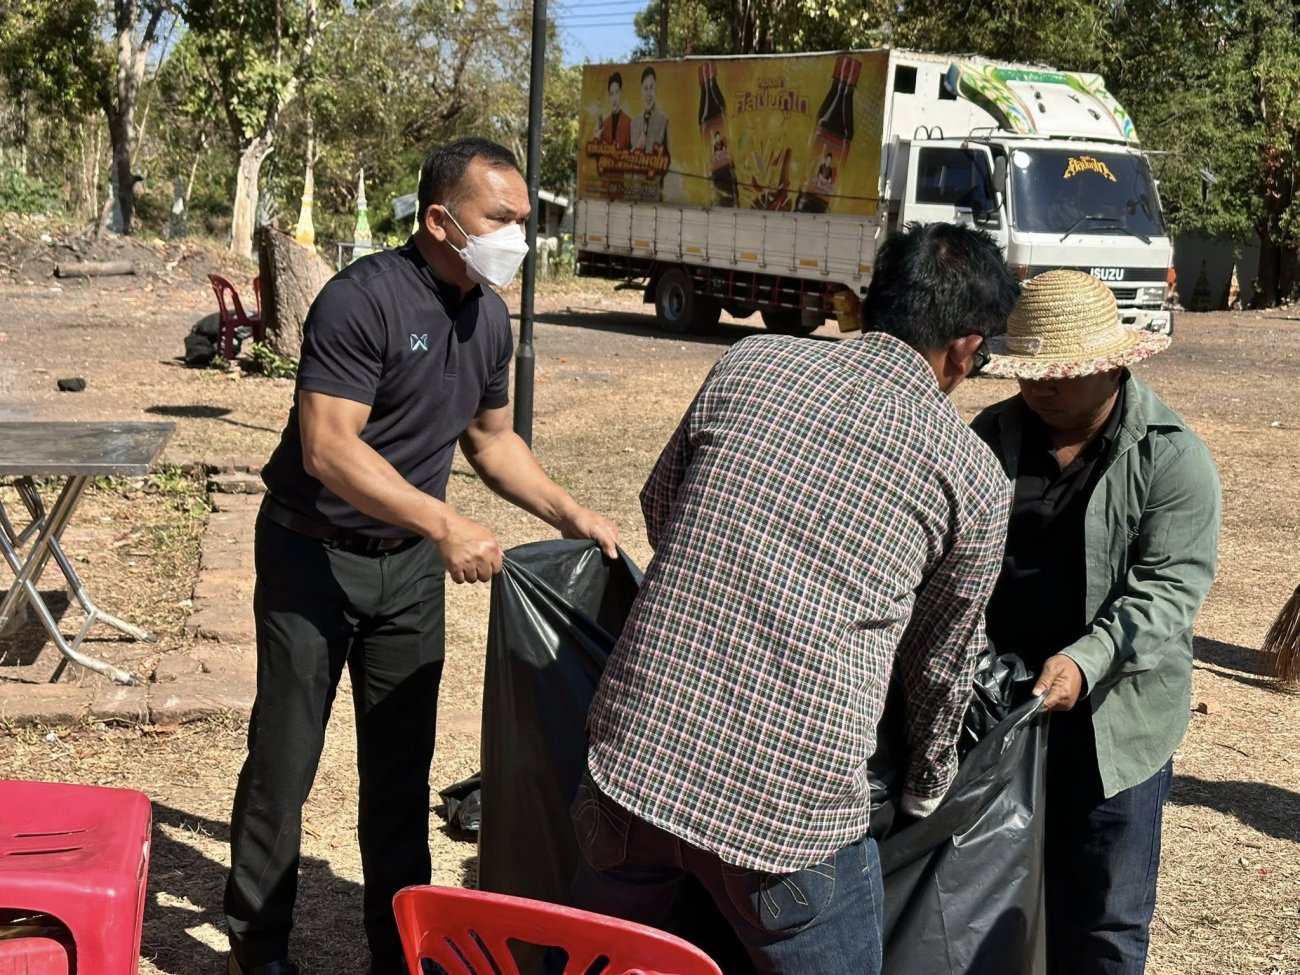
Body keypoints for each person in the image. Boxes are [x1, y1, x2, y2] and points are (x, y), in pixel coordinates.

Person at [568, 222, 1020, 974]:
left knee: (593, 962)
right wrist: (925, 787)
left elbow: (662, 510)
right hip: (789, 821)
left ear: (872, 300)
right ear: (968, 348)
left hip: (632, 767)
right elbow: (942, 664)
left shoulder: (751, 361)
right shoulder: (970, 475)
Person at [223, 137, 619, 975]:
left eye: (522, 218)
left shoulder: (489, 314)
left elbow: (493, 439)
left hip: (404, 573)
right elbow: (329, 448)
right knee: (285, 764)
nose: (517, 235)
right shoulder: (358, 300)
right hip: (311, 558)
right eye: (500, 218)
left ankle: (395, 950)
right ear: (441, 220)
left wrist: (571, 509)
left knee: (399, 773)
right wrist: (444, 523)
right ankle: (258, 948)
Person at [972, 270, 1221, 975]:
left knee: (1103, 923)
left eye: (1059, 373)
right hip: (999, 718)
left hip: (1115, 729)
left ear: (1111, 364)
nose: (1040, 387)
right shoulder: (990, 437)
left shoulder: (1171, 457)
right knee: (988, 901)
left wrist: (1086, 659)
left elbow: (1168, 590)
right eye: (1031, 373)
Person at [630, 65, 670, 157]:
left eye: (651, 87)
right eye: (645, 88)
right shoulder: (634, 122)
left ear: (655, 90)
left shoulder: (663, 120)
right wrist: (637, 148)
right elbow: (626, 159)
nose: (648, 93)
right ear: (641, 92)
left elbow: (670, 158)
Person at [598, 71, 632, 150]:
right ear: (609, 96)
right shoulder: (605, 124)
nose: (614, 98)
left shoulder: (629, 123)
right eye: (611, 93)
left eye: (616, 92)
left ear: (621, 93)